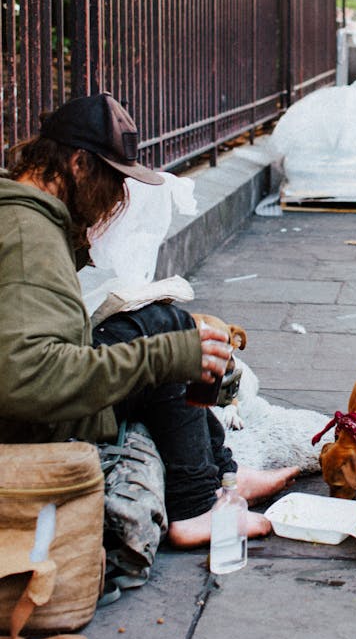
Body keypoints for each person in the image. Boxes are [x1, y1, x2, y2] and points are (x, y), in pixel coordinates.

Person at [0, 91, 296, 549]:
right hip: (29, 430)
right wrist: (161, 357)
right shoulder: (28, 237)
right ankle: (197, 506)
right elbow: (27, 380)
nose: (118, 196)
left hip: (35, 407)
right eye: (113, 180)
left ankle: (222, 476)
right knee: (164, 337)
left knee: (162, 323)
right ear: (79, 164)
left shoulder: (31, 219)